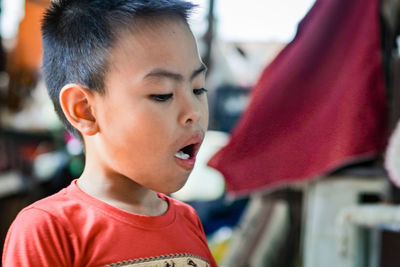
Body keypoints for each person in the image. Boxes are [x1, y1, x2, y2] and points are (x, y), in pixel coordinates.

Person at [2, 0, 217, 266]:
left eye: (198, 89)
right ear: (85, 111)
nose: (193, 111)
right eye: (162, 94)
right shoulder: (49, 229)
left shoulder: (188, 220)